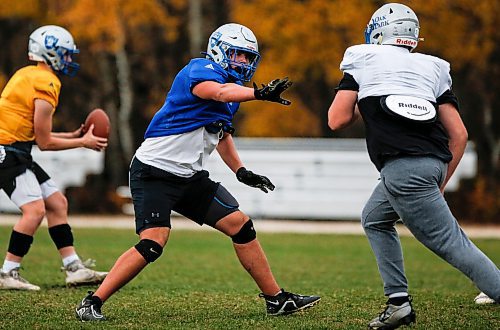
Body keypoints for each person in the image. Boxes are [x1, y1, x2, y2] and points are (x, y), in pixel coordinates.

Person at [75, 23, 320, 321]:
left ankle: (276, 300)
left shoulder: (234, 93)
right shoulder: (200, 69)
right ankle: (92, 301)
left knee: (241, 226)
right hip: (154, 171)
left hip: (188, 176)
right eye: (238, 54)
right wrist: (256, 94)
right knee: (153, 243)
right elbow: (215, 92)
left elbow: (222, 134)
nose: (243, 62)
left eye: (247, 57)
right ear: (218, 50)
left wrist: (241, 171)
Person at [327, 3, 500, 329]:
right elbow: (459, 134)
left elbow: (336, 120)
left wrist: (365, 99)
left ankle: (407, 303)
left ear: (377, 32)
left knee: (450, 243)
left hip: (403, 168)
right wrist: (439, 180)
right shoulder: (432, 67)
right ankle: (398, 299)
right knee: (374, 219)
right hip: (431, 162)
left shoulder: (362, 58)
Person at [0, 25, 109, 290]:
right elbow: (45, 143)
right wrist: (82, 142)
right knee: (34, 210)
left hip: (17, 149)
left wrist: (72, 135)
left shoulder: (28, 74)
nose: (69, 60)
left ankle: (73, 267)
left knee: (56, 203)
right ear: (49, 53)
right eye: (65, 54)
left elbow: (35, 133)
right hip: (7, 151)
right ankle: (8, 273)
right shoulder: (47, 82)